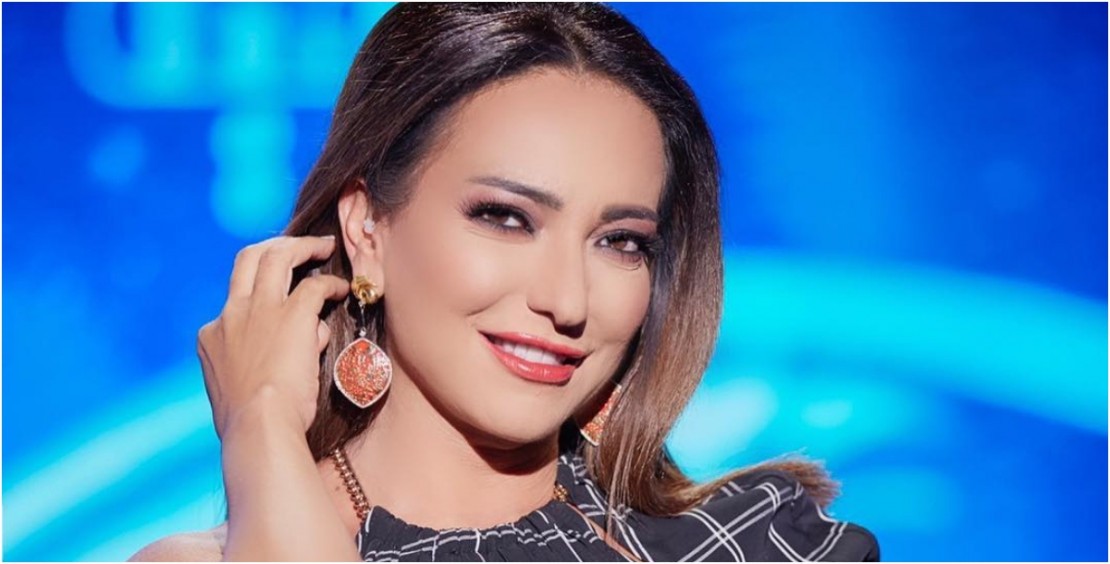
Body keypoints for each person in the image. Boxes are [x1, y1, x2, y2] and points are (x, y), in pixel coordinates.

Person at [130, 3, 879, 561]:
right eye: (506, 218)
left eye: (620, 242)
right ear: (367, 229)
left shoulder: (754, 543)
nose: (568, 301)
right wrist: (262, 424)